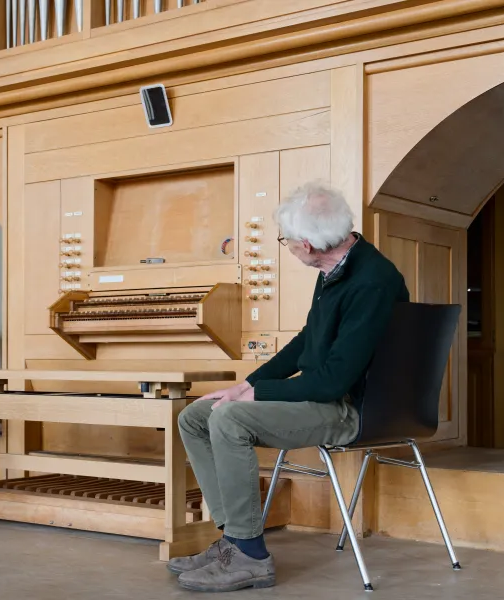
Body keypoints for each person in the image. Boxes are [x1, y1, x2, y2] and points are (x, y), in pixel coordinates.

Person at [170, 182, 410, 592]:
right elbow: (306, 340)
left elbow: (334, 380)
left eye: (285, 241)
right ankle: (233, 538)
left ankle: (250, 555)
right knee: (195, 416)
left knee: (229, 420)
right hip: (325, 396)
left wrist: (254, 396)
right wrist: (247, 383)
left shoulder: (372, 281)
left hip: (351, 408)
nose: (287, 247)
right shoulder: (334, 269)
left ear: (307, 245)